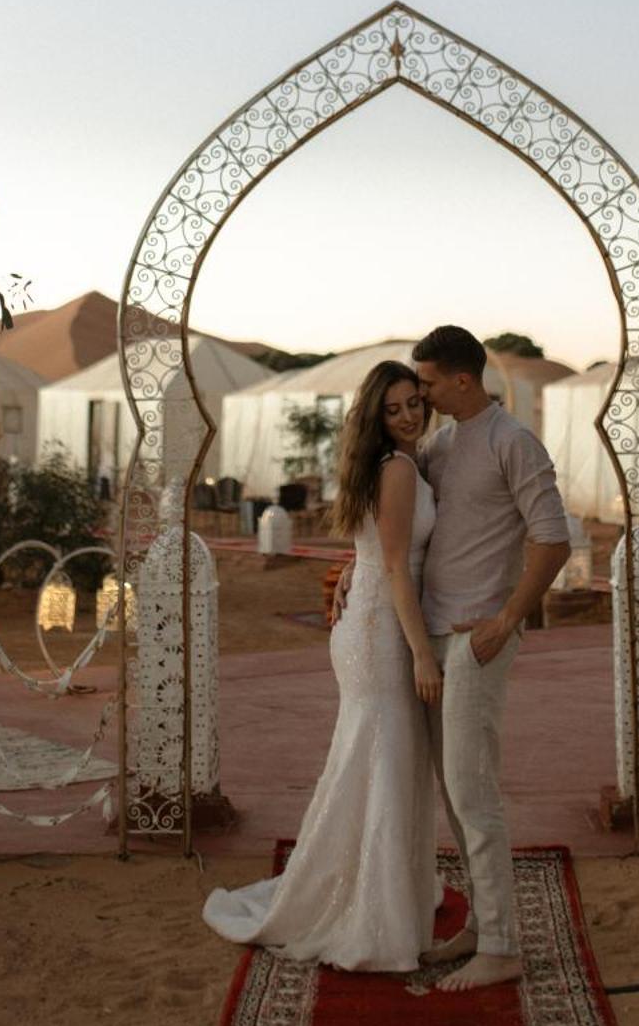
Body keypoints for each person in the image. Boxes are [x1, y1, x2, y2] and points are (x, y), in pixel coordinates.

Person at [201, 361, 442, 972]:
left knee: (376, 757)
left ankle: (381, 893)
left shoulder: (388, 464)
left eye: (415, 402)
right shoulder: (400, 469)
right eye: (395, 409)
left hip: (371, 620)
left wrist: (349, 579)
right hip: (383, 632)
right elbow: (393, 565)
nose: (410, 415)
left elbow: (371, 552)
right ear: (377, 418)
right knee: (384, 758)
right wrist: (421, 652)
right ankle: (372, 910)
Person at [412, 324, 570, 991]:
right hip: (432, 639)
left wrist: (507, 618)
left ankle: (503, 945)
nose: (418, 394)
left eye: (425, 382)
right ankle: (483, 924)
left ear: (461, 380)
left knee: (474, 793)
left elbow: (553, 540)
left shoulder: (514, 441)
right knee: (453, 791)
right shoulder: (440, 447)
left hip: (478, 640)